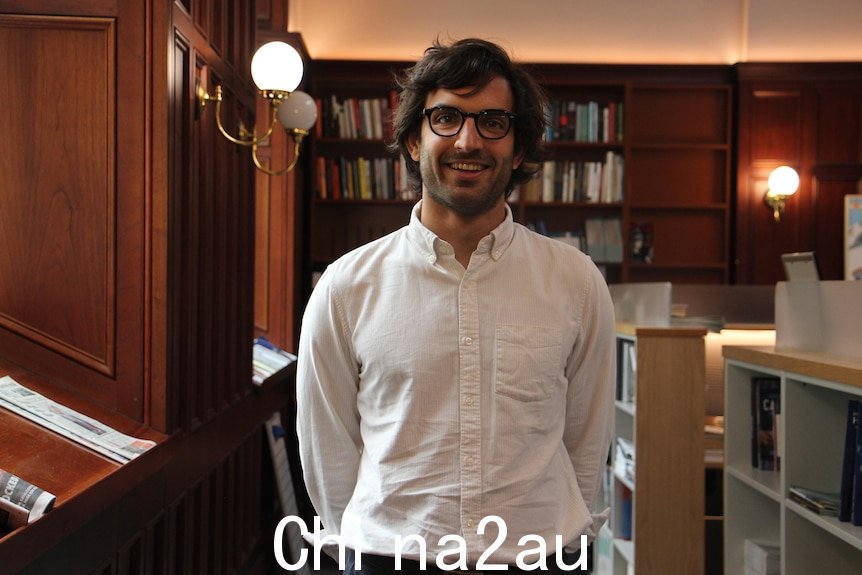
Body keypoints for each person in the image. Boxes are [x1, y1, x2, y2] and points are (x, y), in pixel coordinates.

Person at [296, 38, 615, 574]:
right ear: (414, 142)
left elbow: (587, 439)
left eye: (493, 122)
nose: (468, 140)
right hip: (389, 555)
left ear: (517, 150)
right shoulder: (346, 287)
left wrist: (564, 536)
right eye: (446, 117)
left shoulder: (576, 283)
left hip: (539, 556)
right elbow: (326, 446)